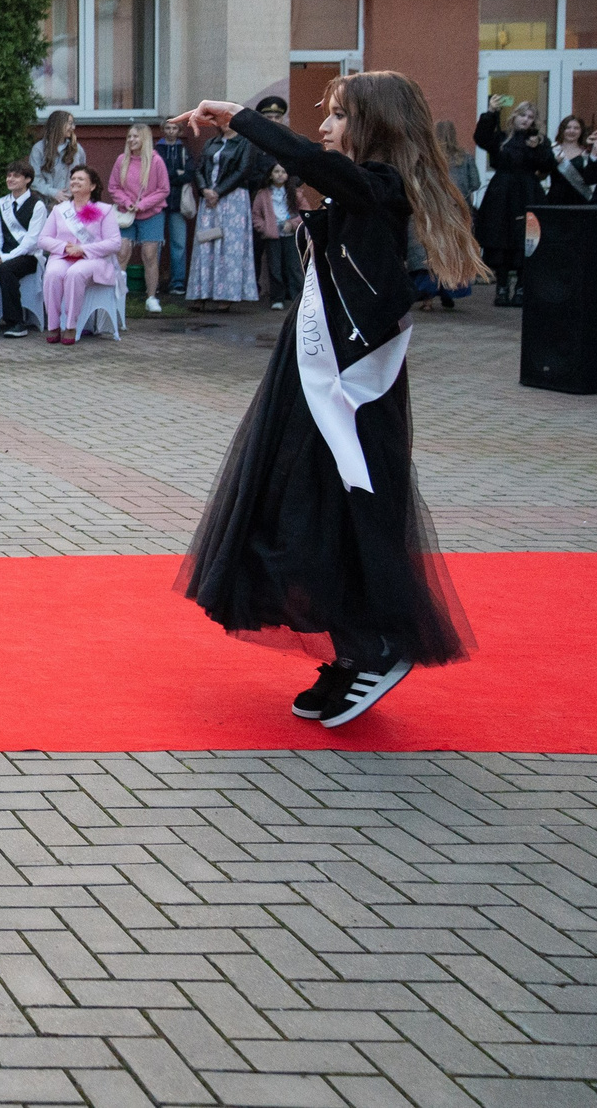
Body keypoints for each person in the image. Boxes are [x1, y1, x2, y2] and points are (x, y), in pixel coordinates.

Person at [176, 72, 481, 728]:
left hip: (352, 389)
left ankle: (380, 644)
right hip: (311, 379)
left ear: (372, 124)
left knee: (352, 511)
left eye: (338, 115)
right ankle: (350, 648)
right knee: (307, 511)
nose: (325, 126)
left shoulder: (378, 188)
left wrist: (239, 118)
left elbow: (313, 163)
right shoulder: (359, 191)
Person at [473, 96, 551, 308]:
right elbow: (481, 138)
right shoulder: (502, 138)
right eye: (523, 115)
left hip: (528, 192)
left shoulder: (539, 140)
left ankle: (522, 288)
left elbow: (548, 165)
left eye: (531, 117)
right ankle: (502, 287)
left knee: (526, 240)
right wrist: (490, 113)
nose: (526, 120)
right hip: (502, 194)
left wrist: (537, 148)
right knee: (501, 239)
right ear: (514, 116)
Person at [187, 103, 262, 310]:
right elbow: (199, 168)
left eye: (230, 120)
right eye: (223, 120)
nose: (226, 124)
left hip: (233, 199)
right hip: (209, 199)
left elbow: (243, 170)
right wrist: (204, 190)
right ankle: (201, 292)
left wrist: (218, 191)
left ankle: (226, 295)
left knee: (229, 246)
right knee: (206, 242)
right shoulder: (212, 142)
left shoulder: (244, 143)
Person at [37, 165, 121, 344]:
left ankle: (71, 325)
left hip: (94, 259)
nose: (75, 181)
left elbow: (115, 243)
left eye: (80, 179)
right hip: (63, 256)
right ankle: (53, 325)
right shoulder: (60, 210)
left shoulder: (103, 210)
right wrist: (64, 247)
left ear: (92, 186)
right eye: (73, 178)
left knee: (75, 273)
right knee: (52, 274)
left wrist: (83, 249)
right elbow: (43, 239)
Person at [107, 122, 170, 315]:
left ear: (145, 139)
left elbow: (163, 189)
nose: (132, 140)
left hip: (151, 213)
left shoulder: (156, 161)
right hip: (126, 215)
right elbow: (113, 187)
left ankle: (151, 297)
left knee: (150, 255)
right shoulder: (121, 160)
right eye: (129, 137)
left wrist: (142, 204)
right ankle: (117, 296)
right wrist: (127, 202)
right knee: (122, 252)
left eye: (136, 136)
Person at [0, 159, 49, 338]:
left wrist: (3, 259)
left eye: (16, 176)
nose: (10, 179)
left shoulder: (38, 205)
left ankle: (16, 323)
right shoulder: (0, 204)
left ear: (27, 179)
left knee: (6, 270)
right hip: (2, 254)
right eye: (8, 175)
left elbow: (32, 241)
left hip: (28, 256)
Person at [155, 122, 199, 299]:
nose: (171, 131)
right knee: (155, 243)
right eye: (168, 128)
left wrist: (169, 176)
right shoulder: (157, 149)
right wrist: (175, 174)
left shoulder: (184, 149)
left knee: (179, 243)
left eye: (174, 128)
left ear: (179, 131)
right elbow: (155, 175)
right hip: (157, 201)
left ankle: (178, 282)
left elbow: (190, 174)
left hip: (179, 202)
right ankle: (154, 281)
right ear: (163, 130)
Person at [252, 161, 304, 309]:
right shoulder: (263, 194)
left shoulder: (295, 193)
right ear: (270, 175)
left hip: (290, 234)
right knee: (274, 267)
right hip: (272, 235)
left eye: (283, 171)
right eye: (276, 171)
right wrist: (265, 228)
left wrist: (293, 224)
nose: (280, 175)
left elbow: (305, 212)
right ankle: (277, 298)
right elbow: (256, 215)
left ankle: (298, 297)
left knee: (294, 266)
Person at [29, 109, 85, 206]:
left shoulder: (76, 149)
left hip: (71, 204)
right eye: (70, 124)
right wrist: (53, 192)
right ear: (59, 125)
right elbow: (34, 179)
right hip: (45, 205)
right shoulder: (39, 149)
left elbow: (83, 174)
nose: (73, 127)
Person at [544, 115, 596, 205]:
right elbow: (541, 174)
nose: (572, 131)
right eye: (568, 128)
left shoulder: (587, 153)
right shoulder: (552, 150)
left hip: (581, 201)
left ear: (581, 131)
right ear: (562, 130)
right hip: (555, 201)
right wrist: (554, 162)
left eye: (576, 128)